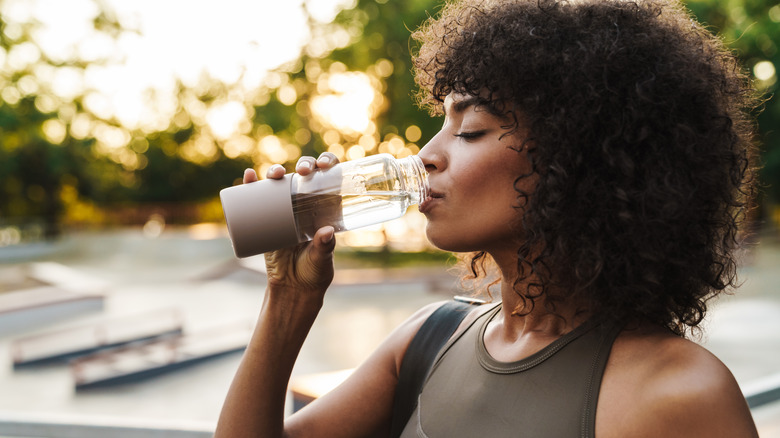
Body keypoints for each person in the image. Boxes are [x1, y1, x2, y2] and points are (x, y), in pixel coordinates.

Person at [215, 0, 762, 436]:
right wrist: (287, 297)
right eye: (441, 122)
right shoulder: (427, 341)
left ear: (577, 160)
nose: (427, 154)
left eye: (470, 128)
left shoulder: (679, 395)